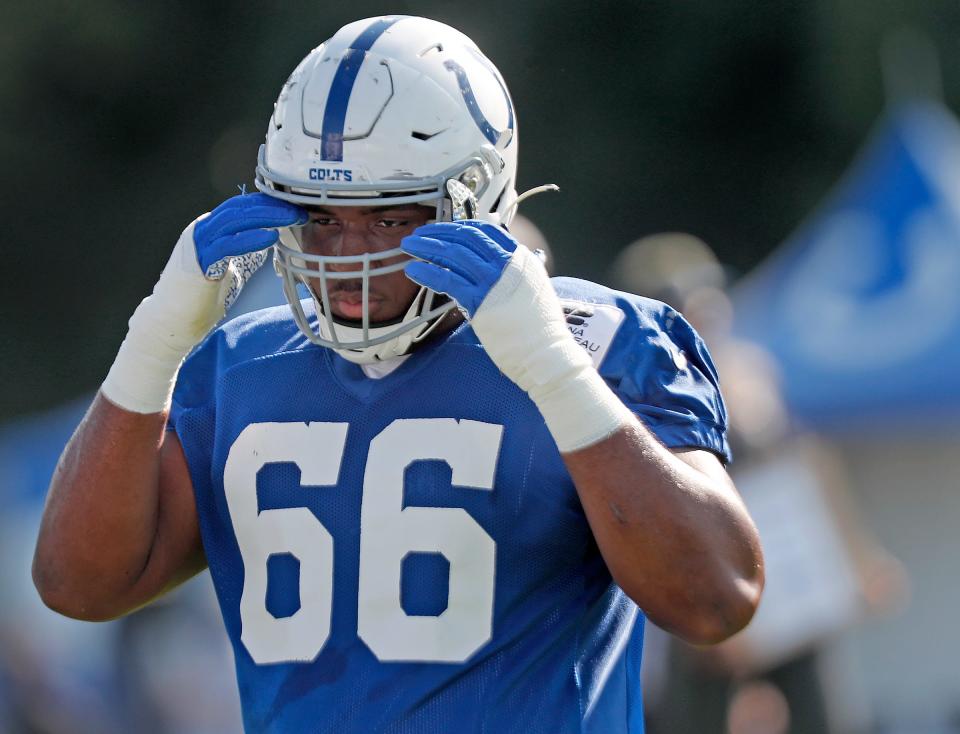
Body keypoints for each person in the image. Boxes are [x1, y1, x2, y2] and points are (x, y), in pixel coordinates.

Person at [32, 15, 763, 734]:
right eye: (320, 218)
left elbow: (716, 600)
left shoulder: (602, 344)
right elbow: (79, 586)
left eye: (388, 220)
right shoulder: (237, 368)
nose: (347, 257)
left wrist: (556, 375)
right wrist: (151, 344)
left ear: (477, 197)